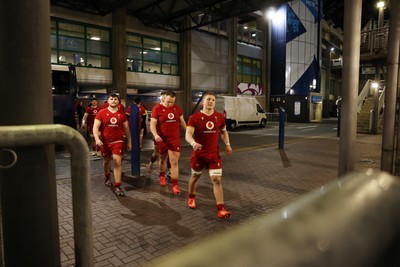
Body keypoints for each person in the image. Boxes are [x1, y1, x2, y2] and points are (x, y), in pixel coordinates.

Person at [185, 91, 232, 219]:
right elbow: (188, 135)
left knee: (216, 180)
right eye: (208, 99)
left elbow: (223, 131)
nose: (210, 102)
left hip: (213, 155)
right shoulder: (194, 118)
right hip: (199, 154)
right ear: (203, 102)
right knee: (195, 177)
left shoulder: (219, 117)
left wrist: (227, 144)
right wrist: (193, 143)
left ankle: (221, 209)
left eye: (213, 100)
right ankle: (191, 197)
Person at [93, 93, 132, 196]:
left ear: (118, 102)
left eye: (115, 99)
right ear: (108, 101)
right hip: (105, 142)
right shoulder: (101, 113)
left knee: (117, 161)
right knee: (106, 162)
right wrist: (97, 139)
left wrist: (129, 141)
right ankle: (107, 178)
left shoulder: (122, 114)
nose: (113, 101)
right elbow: (95, 128)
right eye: (111, 99)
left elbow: (127, 129)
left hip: (118, 141)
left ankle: (118, 186)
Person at [150, 90, 186, 194]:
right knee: (163, 159)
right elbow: (152, 124)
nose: (170, 104)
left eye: (172, 102)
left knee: (174, 162)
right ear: (164, 98)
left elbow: (182, 122)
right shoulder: (157, 108)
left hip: (174, 139)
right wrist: (156, 135)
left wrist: (189, 133)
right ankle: (162, 176)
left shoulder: (177, 109)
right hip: (162, 139)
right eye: (168, 101)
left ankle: (175, 185)